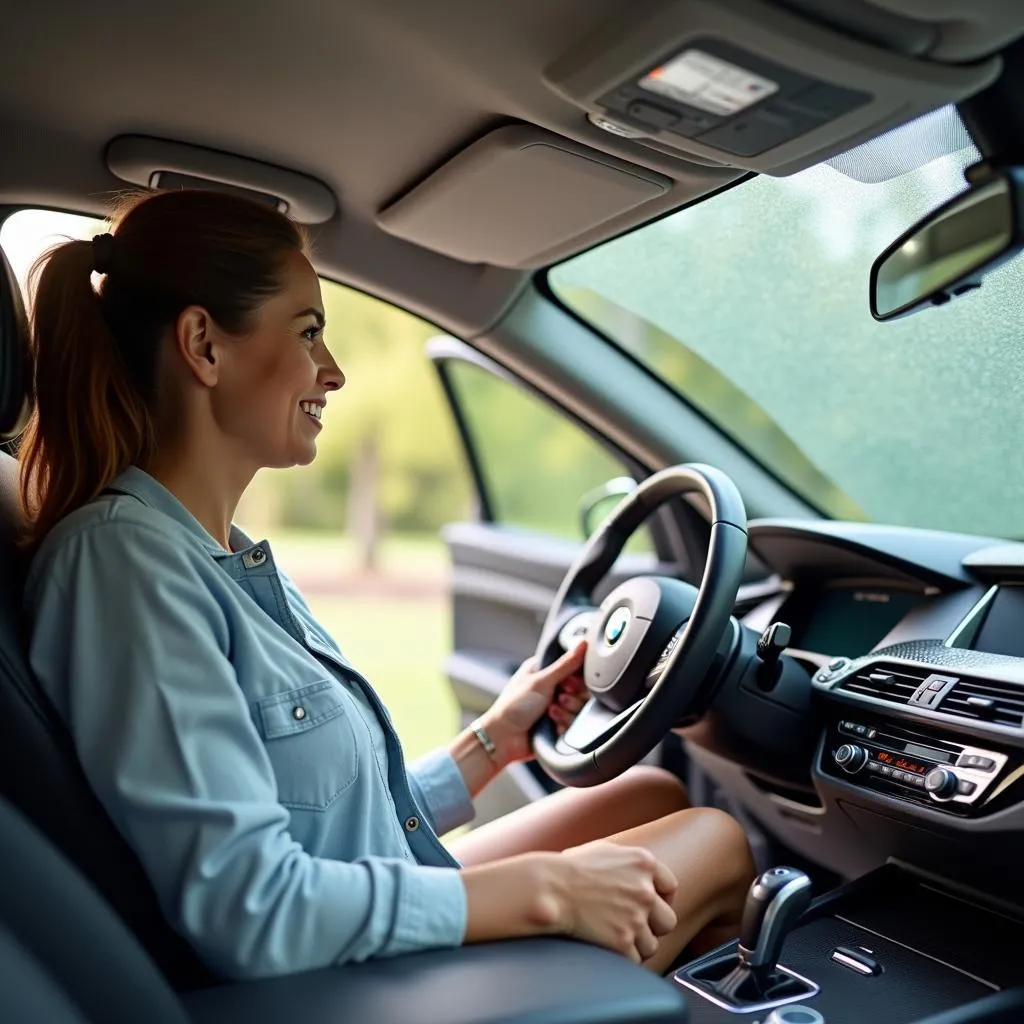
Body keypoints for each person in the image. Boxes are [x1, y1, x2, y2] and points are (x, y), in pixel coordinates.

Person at [19, 189, 754, 982]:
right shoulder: (124, 567)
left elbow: (338, 820)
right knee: (717, 841)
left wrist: (496, 739)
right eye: (308, 333)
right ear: (203, 345)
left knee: (646, 798)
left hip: (354, 929)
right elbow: (248, 905)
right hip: (336, 985)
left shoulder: (215, 554)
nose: (332, 372)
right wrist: (545, 893)